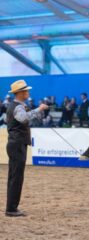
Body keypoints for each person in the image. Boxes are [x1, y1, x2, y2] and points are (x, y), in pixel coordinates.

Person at [5, 80, 48, 217]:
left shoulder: (18, 105)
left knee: (15, 177)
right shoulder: (17, 107)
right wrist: (39, 109)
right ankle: (11, 209)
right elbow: (23, 119)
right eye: (26, 91)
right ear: (20, 93)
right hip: (17, 144)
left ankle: (11, 207)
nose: (28, 93)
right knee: (16, 178)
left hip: (16, 143)